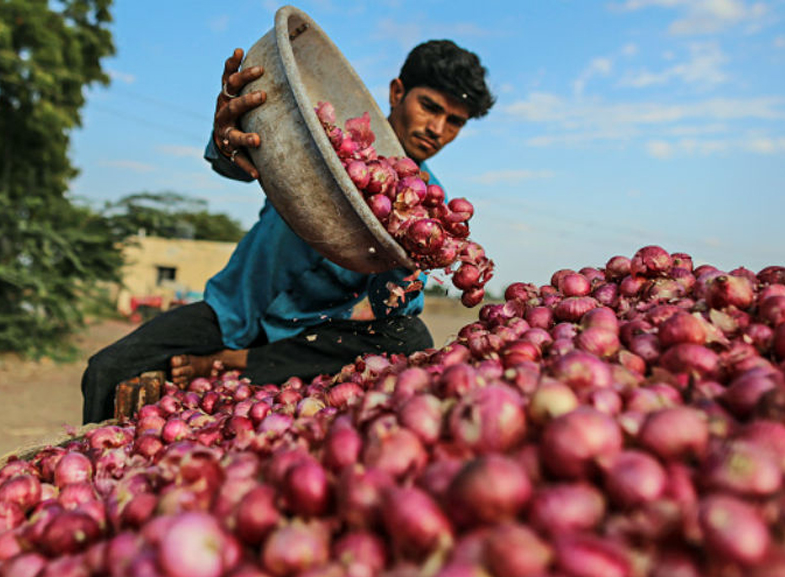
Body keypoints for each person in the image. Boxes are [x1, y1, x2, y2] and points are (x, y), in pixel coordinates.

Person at [80, 39, 495, 423]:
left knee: (411, 337)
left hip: (314, 335)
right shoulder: (327, 140)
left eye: (454, 121)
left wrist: (410, 261)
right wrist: (227, 137)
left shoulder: (430, 206)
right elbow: (244, 158)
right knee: (107, 369)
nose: (437, 129)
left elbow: (394, 310)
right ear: (397, 92)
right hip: (234, 312)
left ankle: (237, 362)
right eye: (429, 107)